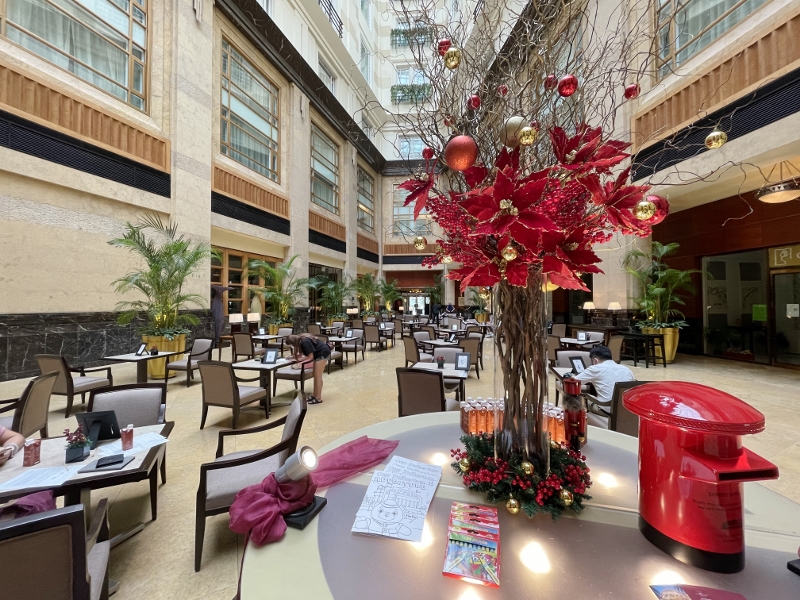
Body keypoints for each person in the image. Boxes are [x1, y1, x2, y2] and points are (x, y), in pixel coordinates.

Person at [285, 333, 330, 405]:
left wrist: (298, 360)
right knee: (314, 374)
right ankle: (314, 395)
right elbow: (302, 354)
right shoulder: (301, 339)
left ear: (293, 343)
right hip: (319, 353)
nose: (292, 347)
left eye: (292, 345)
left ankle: (318, 398)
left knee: (317, 376)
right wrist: (292, 357)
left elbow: (310, 357)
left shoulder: (304, 342)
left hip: (322, 353)